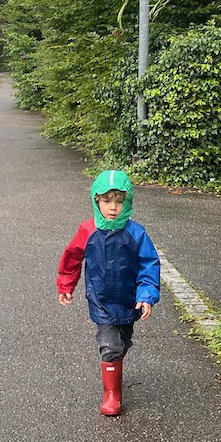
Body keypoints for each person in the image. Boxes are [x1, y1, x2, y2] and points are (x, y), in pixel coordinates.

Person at [56, 169, 161, 416]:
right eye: (106, 201)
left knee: (122, 342)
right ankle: (112, 394)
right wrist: (66, 285)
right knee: (110, 345)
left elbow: (149, 263)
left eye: (118, 201)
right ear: (96, 200)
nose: (112, 207)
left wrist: (146, 295)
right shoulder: (87, 230)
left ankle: (116, 362)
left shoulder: (136, 233)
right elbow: (72, 259)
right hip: (101, 299)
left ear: (127, 202)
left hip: (129, 300)